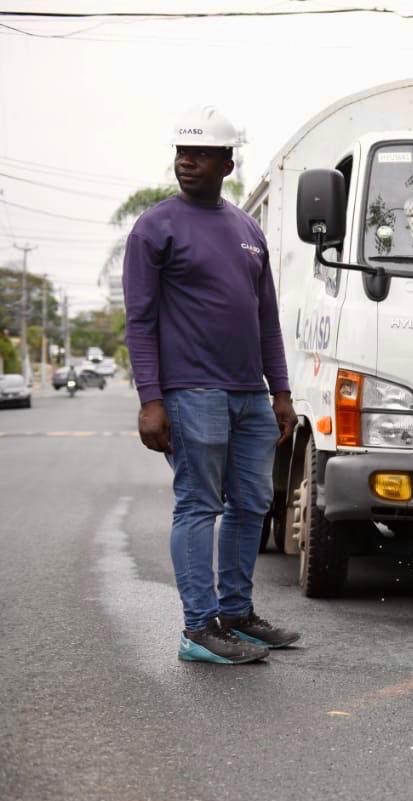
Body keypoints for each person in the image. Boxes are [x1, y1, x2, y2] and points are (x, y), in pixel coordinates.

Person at [123, 106, 300, 665]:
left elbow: (265, 318)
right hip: (191, 391)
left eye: (200, 154)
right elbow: (140, 320)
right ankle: (198, 629)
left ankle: (236, 615)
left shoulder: (247, 230)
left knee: (251, 503)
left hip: (249, 395)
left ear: (227, 163)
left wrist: (280, 392)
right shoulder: (155, 227)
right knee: (199, 505)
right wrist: (151, 400)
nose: (187, 162)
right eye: (182, 152)